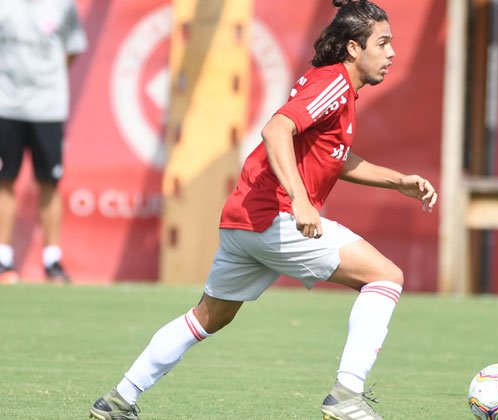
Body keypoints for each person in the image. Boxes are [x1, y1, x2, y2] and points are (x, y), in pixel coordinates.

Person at [89, 1, 436, 419]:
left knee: (207, 318)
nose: (392, 53)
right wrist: (301, 199)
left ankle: (119, 398)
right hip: (278, 216)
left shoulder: (337, 88)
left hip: (245, 221)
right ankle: (347, 395)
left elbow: (334, 157)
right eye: (383, 43)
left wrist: (399, 181)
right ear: (353, 49)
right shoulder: (336, 84)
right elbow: (276, 129)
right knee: (385, 277)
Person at [0, 0, 87, 284]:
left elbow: (72, 49)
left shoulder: (63, 5)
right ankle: (3, 259)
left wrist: (45, 78)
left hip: (48, 107)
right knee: (5, 180)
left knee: (49, 181)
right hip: (6, 106)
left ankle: (52, 260)